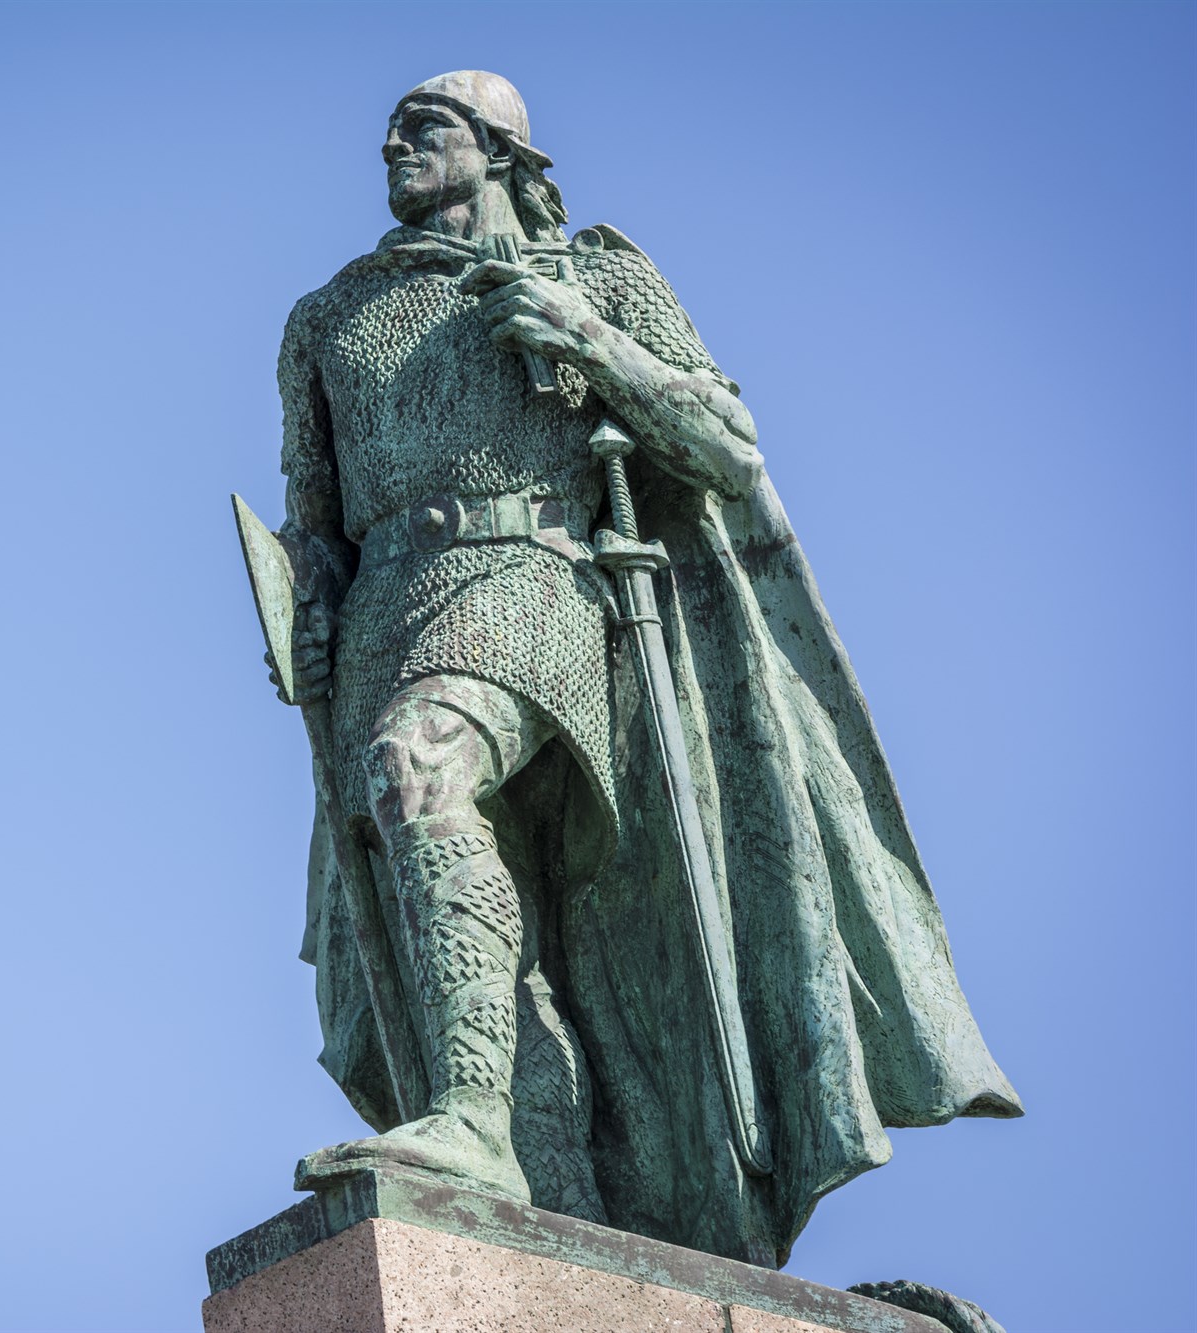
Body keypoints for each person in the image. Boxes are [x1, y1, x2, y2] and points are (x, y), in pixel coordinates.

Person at [267, 70, 1020, 1267]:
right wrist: (305, 601)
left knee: (419, 765)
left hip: (534, 577)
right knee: (498, 921)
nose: (393, 145)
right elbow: (314, 518)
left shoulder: (595, 277)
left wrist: (587, 340)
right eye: (389, 132)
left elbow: (723, 443)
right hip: (381, 617)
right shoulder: (327, 317)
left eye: (425, 127)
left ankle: (469, 1121)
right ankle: (545, 1181)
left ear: (501, 150)